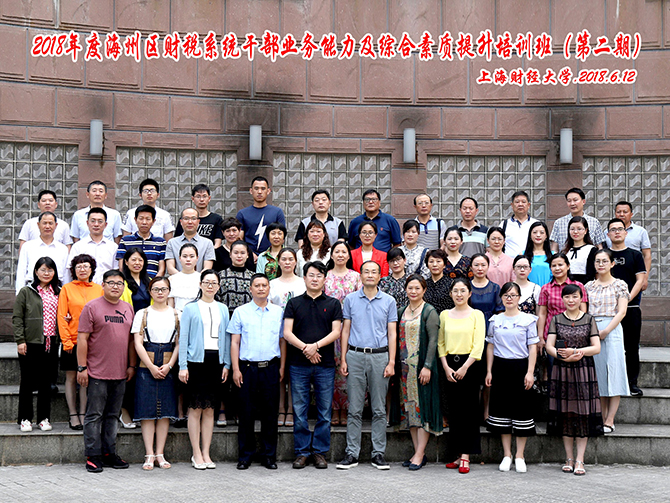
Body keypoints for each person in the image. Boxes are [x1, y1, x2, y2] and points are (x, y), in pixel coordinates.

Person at [337, 261, 397, 470]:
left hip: (380, 357)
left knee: (379, 409)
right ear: (360, 275)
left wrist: (391, 361)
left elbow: (392, 333)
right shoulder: (350, 299)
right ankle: (351, 453)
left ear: (380, 276)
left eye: (374, 272)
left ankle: (378, 453)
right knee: (354, 408)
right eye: (366, 272)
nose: (370, 275)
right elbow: (345, 330)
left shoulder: (389, 301)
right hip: (355, 355)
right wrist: (343, 358)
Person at [283, 261, 343, 469]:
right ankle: (301, 452)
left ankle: (319, 452)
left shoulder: (333, 303)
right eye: (311, 275)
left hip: (324, 364)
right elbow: (287, 332)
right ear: (304, 278)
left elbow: (336, 332)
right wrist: (306, 349)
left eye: (319, 275)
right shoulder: (294, 303)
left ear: (325, 279)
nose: (315, 279)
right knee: (299, 410)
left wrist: (315, 346)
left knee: (324, 411)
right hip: (298, 364)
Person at [77, 269, 136, 473]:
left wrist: (131, 365)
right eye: (111, 282)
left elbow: (131, 340)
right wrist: (82, 367)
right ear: (103, 285)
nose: (115, 287)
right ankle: (93, 455)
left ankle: (109, 453)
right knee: (94, 415)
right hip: (96, 372)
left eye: (119, 283)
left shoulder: (128, 308)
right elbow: (82, 339)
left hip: (120, 372)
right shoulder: (91, 307)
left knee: (112, 415)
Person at [545, 284, 603, 476]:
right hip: (562, 370)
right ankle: (569, 458)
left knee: (583, 413)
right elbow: (549, 346)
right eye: (567, 297)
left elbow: (596, 347)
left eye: (575, 297)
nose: (571, 300)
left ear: (581, 299)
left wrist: (576, 352)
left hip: (583, 370)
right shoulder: (556, 319)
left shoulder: (589, 319)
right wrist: (562, 356)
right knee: (565, 413)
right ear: (562, 299)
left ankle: (580, 459)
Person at [229, 273, 285, 470]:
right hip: (247, 368)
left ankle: (269, 456)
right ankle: (245, 456)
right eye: (257, 285)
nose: (261, 289)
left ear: (269, 288)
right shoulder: (240, 312)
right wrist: (236, 369)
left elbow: (282, 341)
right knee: (246, 413)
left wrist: (282, 366)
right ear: (250, 289)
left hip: (271, 367)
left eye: (264, 285)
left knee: (270, 413)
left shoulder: (279, 312)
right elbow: (235, 342)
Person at [178, 270, 230, 470]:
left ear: (218, 286)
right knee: (195, 408)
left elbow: (227, 338)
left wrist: (226, 364)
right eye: (207, 282)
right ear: (200, 284)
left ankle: (206, 452)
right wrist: (183, 365)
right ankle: (196, 453)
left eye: (214, 283)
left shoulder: (223, 308)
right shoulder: (191, 308)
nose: (210, 286)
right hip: (196, 362)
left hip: (216, 361)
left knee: (210, 409)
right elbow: (183, 338)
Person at [390, 274, 442, 471]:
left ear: (424, 290)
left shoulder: (429, 311)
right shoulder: (401, 311)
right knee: (410, 411)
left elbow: (433, 341)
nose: (413, 291)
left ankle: (420, 454)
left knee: (423, 410)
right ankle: (417, 452)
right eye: (410, 288)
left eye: (417, 288)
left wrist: (427, 366)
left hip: (422, 370)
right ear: (405, 289)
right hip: (404, 371)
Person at [485, 282, 538, 473]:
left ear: (519, 298)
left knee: (521, 411)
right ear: (501, 298)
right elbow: (490, 346)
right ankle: (507, 454)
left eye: (513, 295)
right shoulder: (495, 320)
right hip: (500, 367)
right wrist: (489, 370)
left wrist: (530, 372)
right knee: (502, 412)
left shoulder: (528, 320)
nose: (509, 298)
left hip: (520, 367)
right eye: (506, 295)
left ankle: (520, 455)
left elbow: (532, 347)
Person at [132, 276, 180, 470]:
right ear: (150, 292)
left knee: (165, 411)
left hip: (168, 364)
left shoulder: (177, 314)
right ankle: (149, 454)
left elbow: (179, 343)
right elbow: (137, 343)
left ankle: (160, 453)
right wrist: (151, 366)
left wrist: (169, 366)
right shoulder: (142, 313)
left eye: (164, 289)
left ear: (169, 291)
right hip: (147, 364)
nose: (160, 292)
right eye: (156, 289)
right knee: (147, 411)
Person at [438, 278, 485, 474]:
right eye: (455, 291)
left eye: (463, 290)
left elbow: (479, 344)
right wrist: (446, 367)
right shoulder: (444, 315)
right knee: (454, 412)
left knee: (469, 411)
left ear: (469, 293)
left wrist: (465, 367)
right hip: (449, 365)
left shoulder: (476, 315)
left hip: (470, 365)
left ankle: (466, 455)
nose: (459, 294)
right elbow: (441, 343)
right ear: (450, 294)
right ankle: (457, 454)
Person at [13, 257, 61, 432]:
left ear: (54, 272)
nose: (46, 273)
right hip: (30, 342)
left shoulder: (59, 292)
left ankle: (43, 418)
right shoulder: (26, 291)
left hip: (51, 342)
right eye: (43, 270)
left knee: (45, 383)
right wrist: (20, 340)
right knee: (27, 381)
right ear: (36, 272)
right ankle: (25, 418)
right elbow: (17, 317)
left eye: (50, 270)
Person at [586, 249, 630, 433]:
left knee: (614, 371)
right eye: (598, 261)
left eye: (605, 261)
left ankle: (610, 420)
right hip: (592, 329)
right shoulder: (589, 286)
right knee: (598, 374)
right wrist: (593, 332)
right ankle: (601, 417)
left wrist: (605, 331)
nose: (601, 264)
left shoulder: (620, 284)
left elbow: (622, 311)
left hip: (612, 328)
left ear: (612, 263)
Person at [58, 254, 103, 430]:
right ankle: (73, 414)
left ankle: (84, 413)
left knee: (86, 379)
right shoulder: (67, 289)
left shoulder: (98, 289)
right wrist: (66, 341)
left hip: (93, 342)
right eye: (78, 267)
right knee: (71, 377)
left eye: (86, 266)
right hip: (72, 341)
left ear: (92, 269)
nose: (82, 269)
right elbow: (62, 316)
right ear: (73, 270)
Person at [214, 240, 254, 426]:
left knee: (242, 369)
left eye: (242, 253)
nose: (239, 256)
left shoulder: (253, 278)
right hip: (225, 329)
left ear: (247, 255)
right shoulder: (221, 277)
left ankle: (239, 409)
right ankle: (222, 409)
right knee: (225, 368)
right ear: (230, 254)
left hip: (247, 331)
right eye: (235, 252)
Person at [607, 218, 647, 397]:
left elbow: (640, 280)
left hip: (631, 308)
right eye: (613, 229)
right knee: (610, 348)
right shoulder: (604, 255)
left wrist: (627, 297)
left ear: (625, 233)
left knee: (631, 347)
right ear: (608, 234)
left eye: (620, 229)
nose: (616, 232)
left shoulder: (635, 255)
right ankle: (612, 383)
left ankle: (632, 383)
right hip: (608, 310)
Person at [324, 241, 361, 427]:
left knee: (347, 369)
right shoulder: (325, 276)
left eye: (343, 252)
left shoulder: (356, 277)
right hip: (327, 329)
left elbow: (360, 302)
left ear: (348, 255)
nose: (340, 255)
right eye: (336, 251)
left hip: (349, 328)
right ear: (331, 255)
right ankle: (332, 409)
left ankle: (345, 409)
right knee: (330, 369)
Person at [269, 248, 306, 428]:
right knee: (280, 372)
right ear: (278, 262)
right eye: (283, 259)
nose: (287, 262)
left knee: (293, 373)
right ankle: (280, 408)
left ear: (295, 262)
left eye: (290, 259)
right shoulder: (272, 283)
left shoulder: (302, 283)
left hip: (298, 333)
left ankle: (291, 409)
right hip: (276, 332)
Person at [537, 253, 588, 350]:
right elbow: (542, 313)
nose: (557, 268)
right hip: (552, 333)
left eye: (560, 265)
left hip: (574, 332)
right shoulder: (545, 288)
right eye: (553, 266)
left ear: (568, 266)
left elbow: (583, 311)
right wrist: (540, 337)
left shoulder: (578, 286)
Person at [15, 212, 69, 293]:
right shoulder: (27, 246)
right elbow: (21, 272)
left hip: (56, 289)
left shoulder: (63, 248)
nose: (47, 226)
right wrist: (19, 293)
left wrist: (66, 293)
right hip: (32, 289)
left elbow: (66, 275)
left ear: (56, 225)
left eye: (50, 223)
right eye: (44, 223)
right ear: (38, 225)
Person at [236, 176, 286, 257]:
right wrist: (250, 254)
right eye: (256, 188)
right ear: (251, 191)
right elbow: (239, 238)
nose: (259, 192)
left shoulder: (277, 212)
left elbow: (281, 236)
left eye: (263, 189)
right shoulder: (242, 213)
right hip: (248, 257)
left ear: (268, 191)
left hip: (271, 257)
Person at [65, 207, 118, 284]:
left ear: (105, 225)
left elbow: (116, 271)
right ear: (87, 223)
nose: (96, 224)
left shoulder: (113, 247)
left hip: (106, 289)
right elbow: (70, 270)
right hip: (83, 288)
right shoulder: (78, 246)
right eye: (93, 221)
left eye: (100, 221)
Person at [116, 205, 166, 278]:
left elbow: (162, 269)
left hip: (153, 282)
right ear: (135, 220)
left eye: (148, 219)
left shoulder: (160, 242)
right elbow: (122, 267)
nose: (144, 222)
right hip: (130, 282)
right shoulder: (125, 241)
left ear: (153, 221)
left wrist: (153, 283)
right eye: (141, 218)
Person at [550, 188, 606, 252]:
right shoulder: (559, 223)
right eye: (569, 201)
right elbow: (554, 248)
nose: (572, 203)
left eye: (575, 200)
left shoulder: (594, 222)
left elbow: (599, 246)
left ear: (583, 201)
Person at [605, 201, 651, 275]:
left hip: (634, 271)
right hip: (612, 272)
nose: (621, 214)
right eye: (618, 212)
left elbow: (647, 255)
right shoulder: (607, 232)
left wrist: (645, 275)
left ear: (631, 214)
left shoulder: (641, 231)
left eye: (625, 212)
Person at [165, 208, 215, 274]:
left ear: (198, 221)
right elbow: (170, 268)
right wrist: (183, 278)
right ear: (181, 222)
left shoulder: (208, 243)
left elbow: (207, 268)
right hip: (177, 279)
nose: (190, 222)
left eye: (193, 219)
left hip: (199, 279)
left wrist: (195, 278)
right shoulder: (172, 243)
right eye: (186, 218)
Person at [174, 184, 224, 248]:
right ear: (193, 199)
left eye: (204, 196)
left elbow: (217, 244)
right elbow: (178, 240)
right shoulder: (185, 219)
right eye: (198, 196)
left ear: (209, 198)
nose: (201, 199)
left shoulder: (217, 219)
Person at [499, 190, 538, 258]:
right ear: (512, 205)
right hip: (510, 262)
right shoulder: (504, 225)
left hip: (531, 261)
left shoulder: (536, 224)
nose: (520, 204)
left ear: (528, 205)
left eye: (523, 202)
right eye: (517, 202)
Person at [561, 216, 597, 285]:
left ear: (586, 231)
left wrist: (580, 287)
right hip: (567, 286)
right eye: (572, 229)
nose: (575, 232)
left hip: (585, 286)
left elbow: (591, 273)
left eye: (579, 229)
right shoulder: (565, 251)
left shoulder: (592, 249)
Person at [167, 244, 201, 310]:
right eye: (184, 256)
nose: (188, 259)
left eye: (192, 256)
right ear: (180, 258)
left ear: (197, 258)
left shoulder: (202, 279)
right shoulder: (172, 279)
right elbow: (170, 305)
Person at [120, 248, 152, 313]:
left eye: (140, 260)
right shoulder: (121, 282)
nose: (137, 263)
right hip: (128, 316)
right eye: (133, 260)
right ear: (126, 262)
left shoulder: (150, 281)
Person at [424, 249, 454, 314]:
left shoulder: (451, 284)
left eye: (438, 261)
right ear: (427, 265)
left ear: (444, 265)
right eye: (431, 261)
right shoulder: (424, 284)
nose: (435, 264)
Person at [523, 221, 553, 287]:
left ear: (546, 236)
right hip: (528, 290)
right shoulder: (522, 255)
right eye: (535, 232)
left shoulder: (553, 255)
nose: (538, 235)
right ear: (530, 235)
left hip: (548, 290)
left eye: (542, 232)